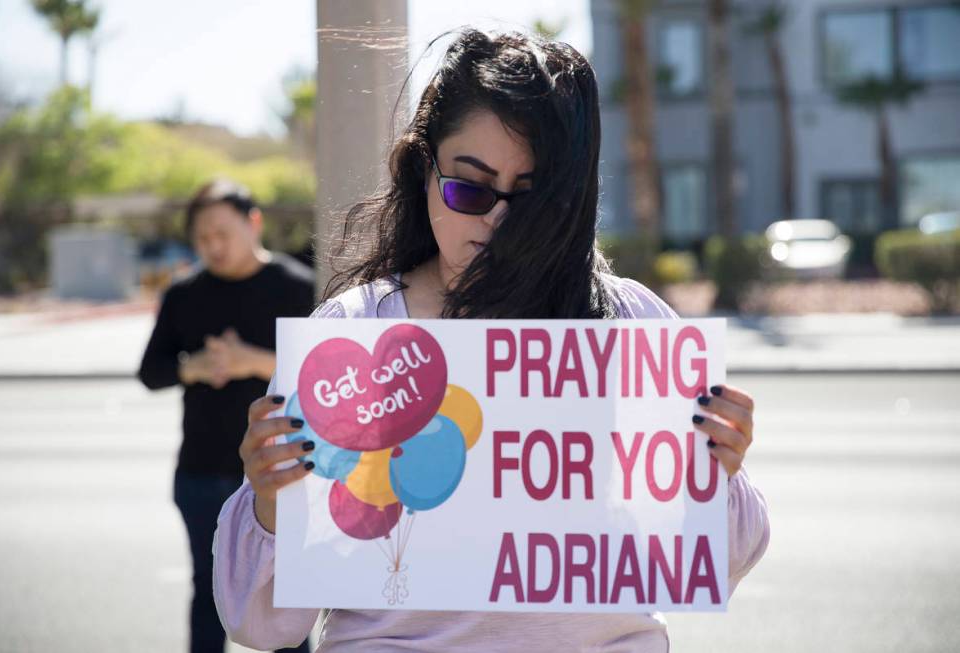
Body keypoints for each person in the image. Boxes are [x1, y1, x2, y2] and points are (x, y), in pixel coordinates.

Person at [212, 29, 770, 652]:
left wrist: (719, 468)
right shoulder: (354, 337)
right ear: (422, 169)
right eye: (470, 189)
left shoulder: (632, 325)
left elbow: (718, 563)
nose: (497, 221)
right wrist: (269, 502)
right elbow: (262, 624)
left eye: (530, 200)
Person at [138, 179, 315, 653]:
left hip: (282, 475)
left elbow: (329, 375)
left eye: (222, 233)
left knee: (286, 603)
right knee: (208, 599)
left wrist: (252, 361)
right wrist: (191, 367)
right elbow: (150, 372)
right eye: (202, 238)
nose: (213, 246)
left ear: (253, 222)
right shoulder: (184, 294)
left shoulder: (297, 286)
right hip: (200, 470)